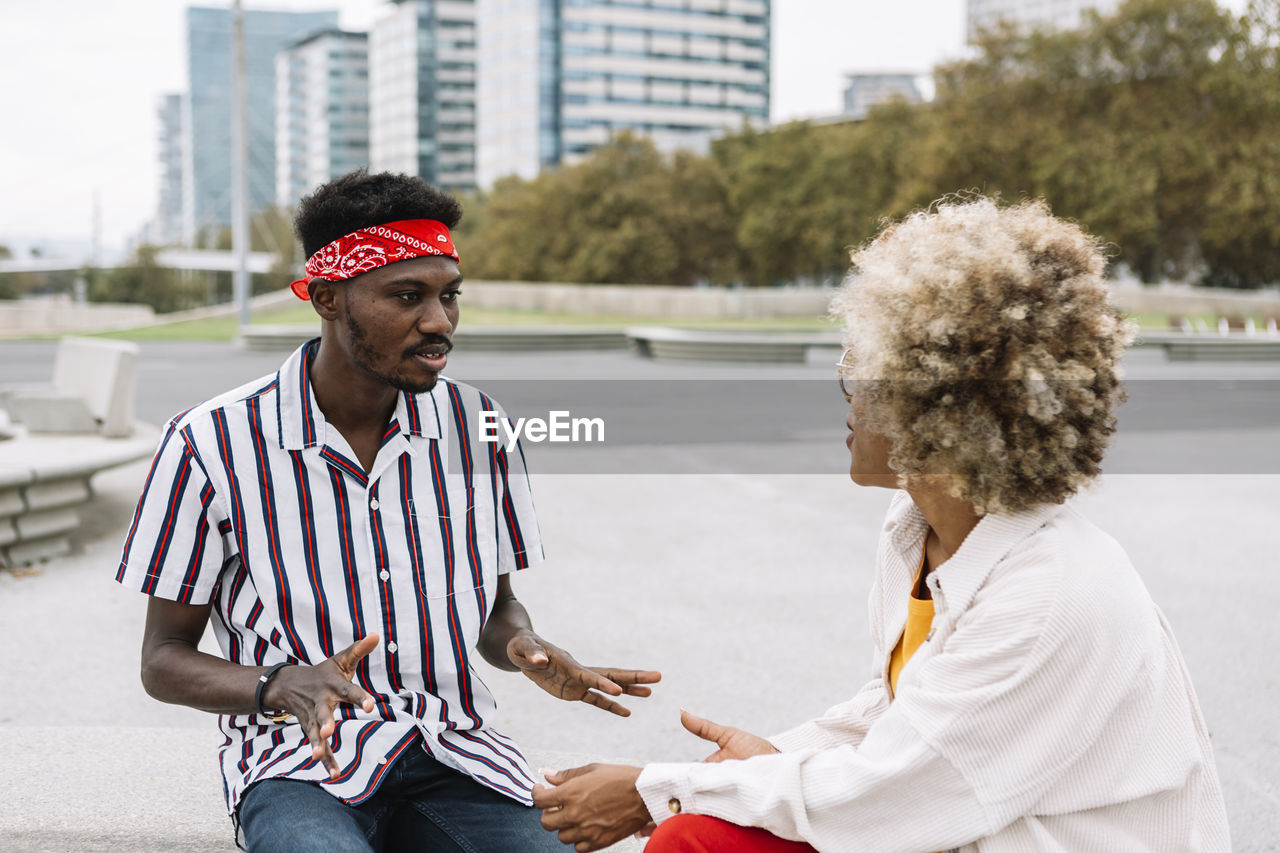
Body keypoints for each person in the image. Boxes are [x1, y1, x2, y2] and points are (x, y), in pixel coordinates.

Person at [533, 197, 1230, 852]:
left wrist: (655, 791)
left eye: (865, 371)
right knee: (708, 833)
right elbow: (903, 715)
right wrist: (780, 757)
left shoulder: (1049, 594)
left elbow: (897, 788)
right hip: (959, 819)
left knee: (698, 834)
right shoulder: (917, 529)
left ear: (944, 406)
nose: (848, 394)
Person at [115, 170, 660, 853]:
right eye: (407, 296)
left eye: (448, 296)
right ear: (326, 297)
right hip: (300, 765)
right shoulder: (209, 441)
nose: (438, 322)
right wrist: (282, 682)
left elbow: (496, 608)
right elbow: (162, 660)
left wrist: (525, 646)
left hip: (457, 755)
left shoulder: (478, 423)